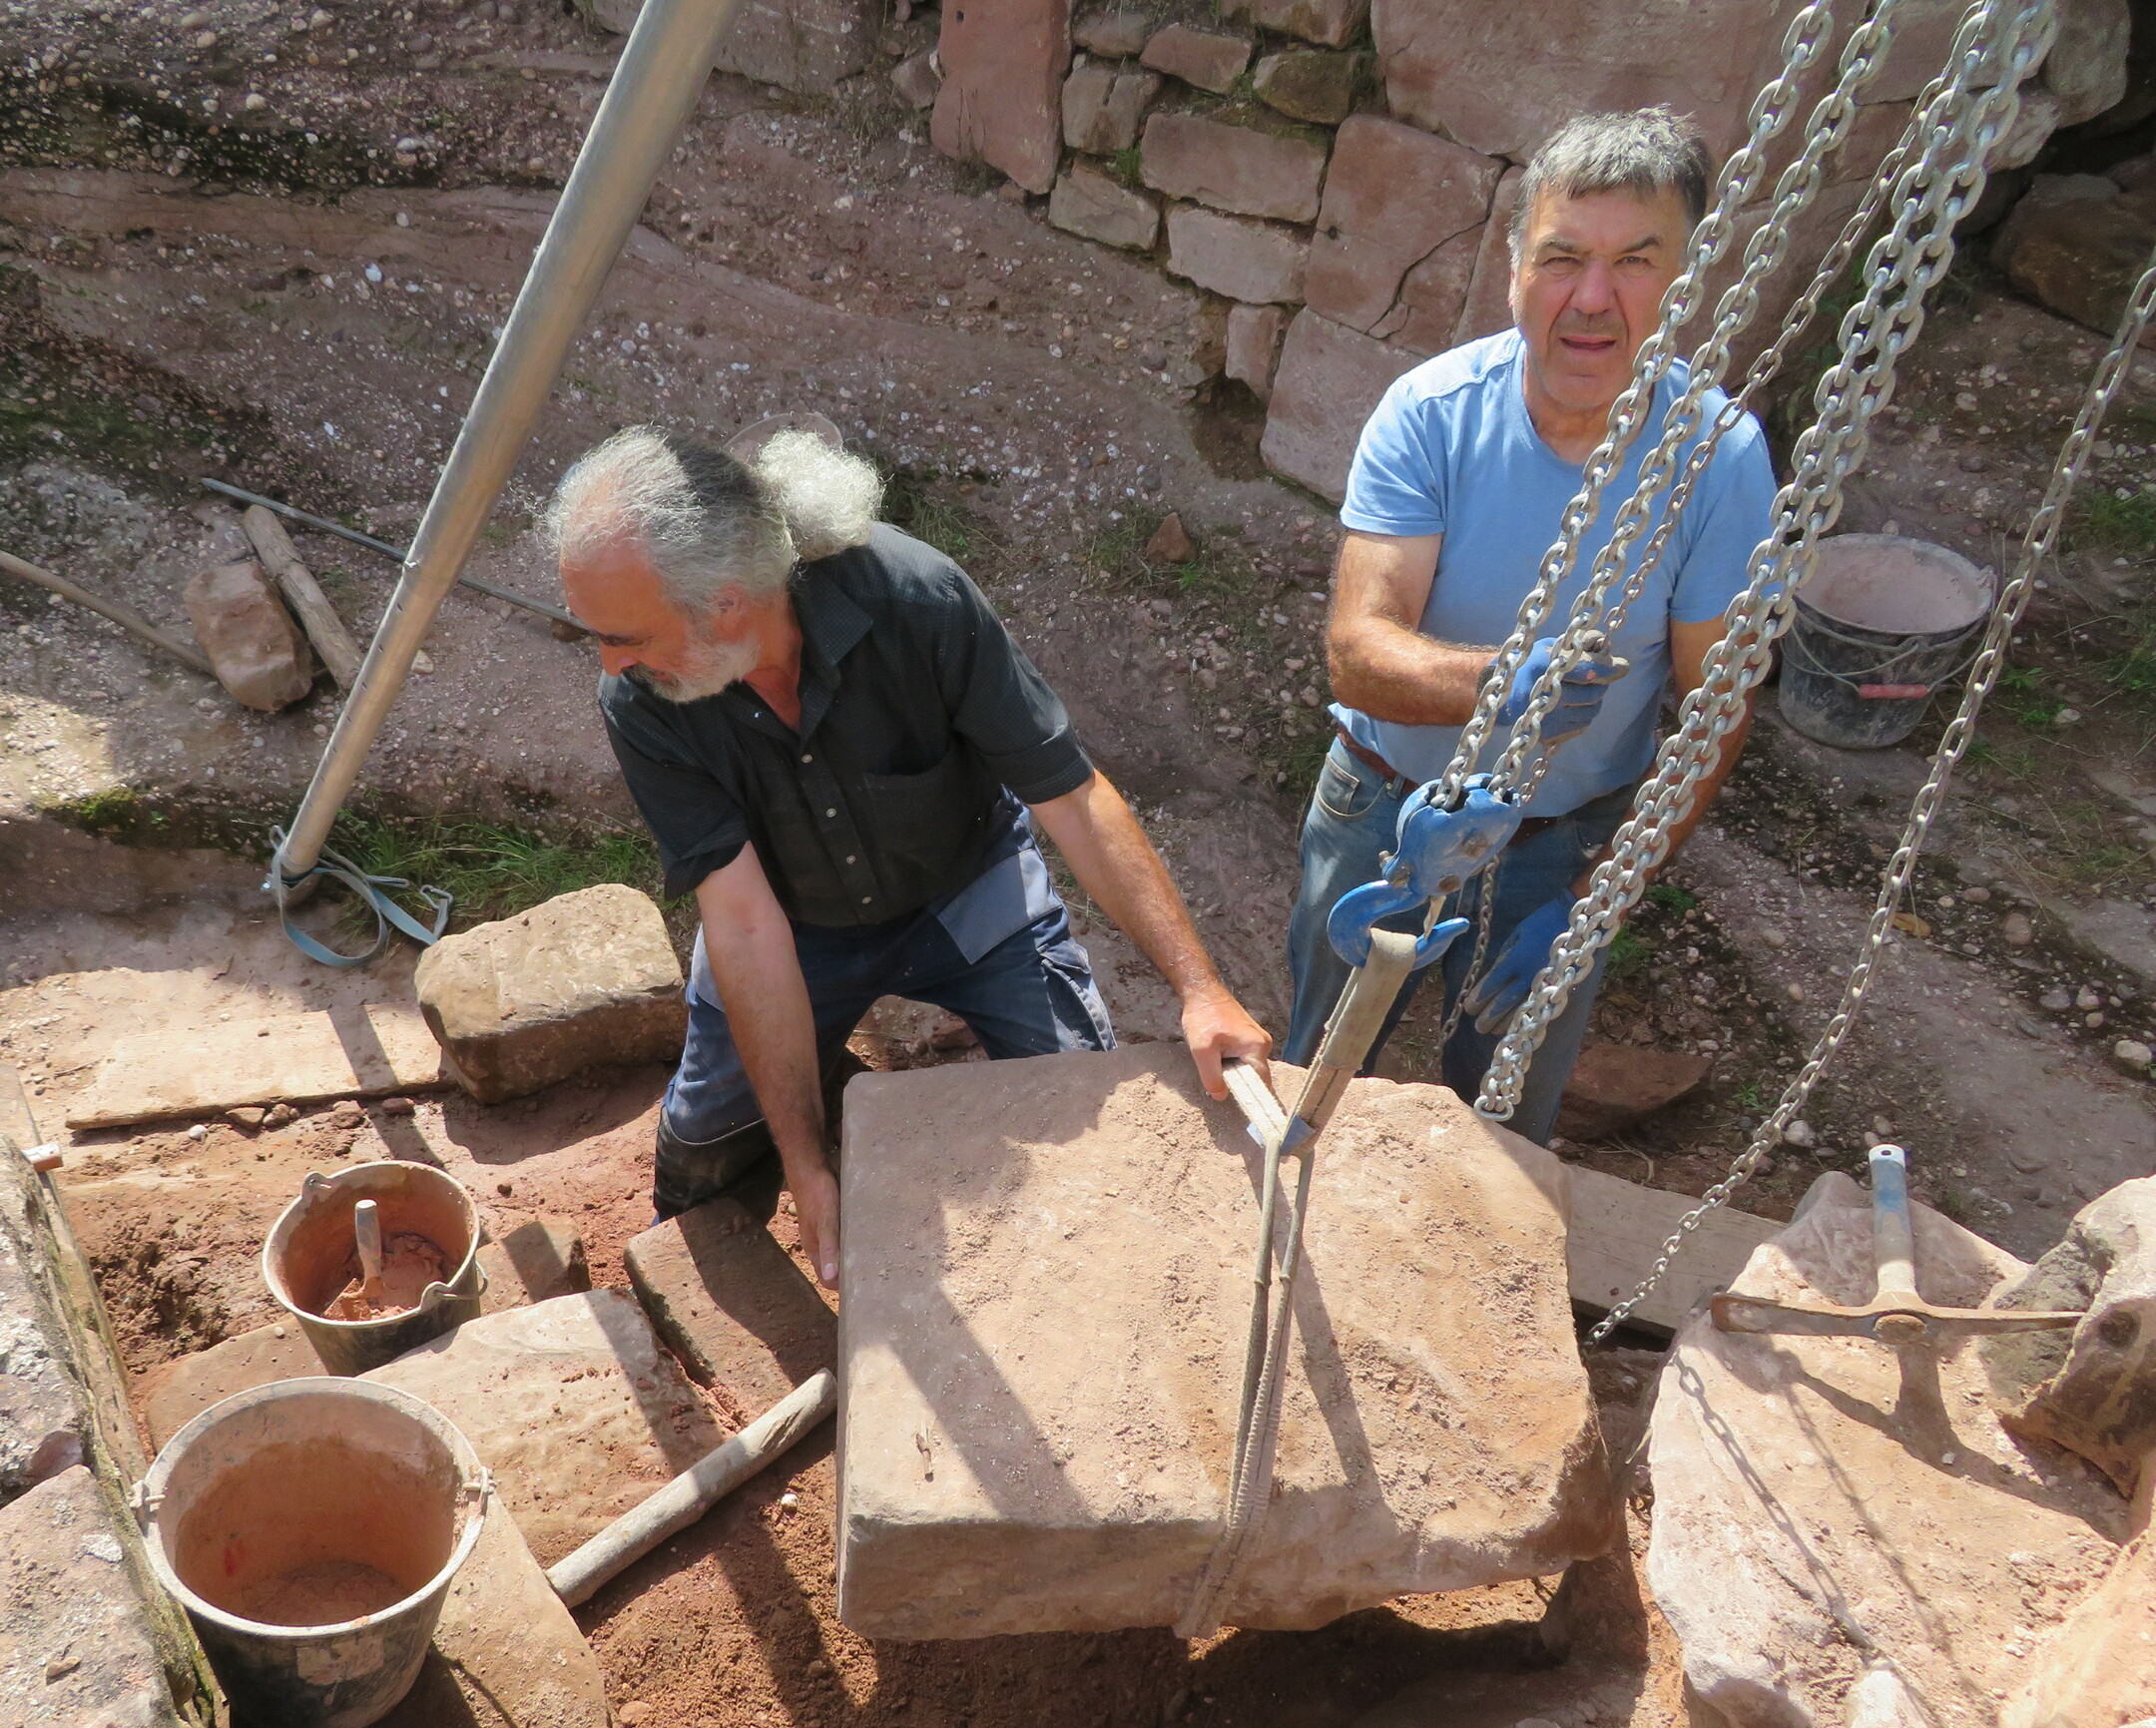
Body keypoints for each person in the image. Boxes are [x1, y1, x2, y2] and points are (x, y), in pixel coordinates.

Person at [549, 425, 1273, 1287]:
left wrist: (1200, 990)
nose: (610, 661)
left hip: (963, 886)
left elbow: (1073, 799)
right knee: (709, 1148)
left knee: (1083, 1106)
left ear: (727, 604)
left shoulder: (916, 598)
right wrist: (807, 1163)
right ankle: (720, 1235)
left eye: (625, 634)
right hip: (789, 925)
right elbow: (742, 923)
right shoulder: (643, 698)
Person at [1285, 105, 1778, 1143]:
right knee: (1317, 1083)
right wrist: (1504, 684)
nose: (1592, 299)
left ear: (1685, 281)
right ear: (1514, 271)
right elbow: (1358, 654)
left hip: (1560, 844)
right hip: (1386, 809)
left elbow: (1715, 709)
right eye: (1562, 258)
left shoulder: (1719, 458)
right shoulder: (1431, 414)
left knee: (1501, 1132)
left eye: (1636, 262)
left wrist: (1597, 897)